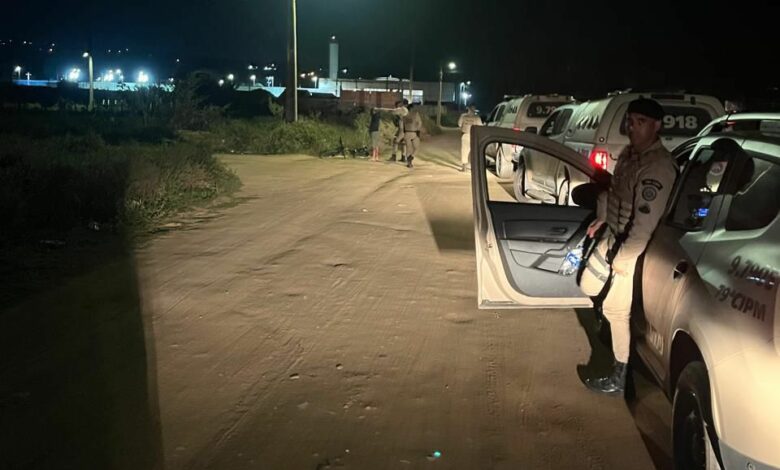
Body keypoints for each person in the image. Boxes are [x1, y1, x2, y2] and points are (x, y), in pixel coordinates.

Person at [578, 98, 678, 395]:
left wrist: (622, 261)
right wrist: (602, 219)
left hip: (632, 246)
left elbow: (644, 226)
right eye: (631, 121)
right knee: (597, 292)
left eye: (640, 122)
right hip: (615, 235)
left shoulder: (657, 167)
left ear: (656, 126)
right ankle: (617, 350)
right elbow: (614, 192)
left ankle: (619, 377)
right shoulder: (630, 155)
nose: (632, 127)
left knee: (616, 309)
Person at [458, 105, 483, 172]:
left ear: (468, 109)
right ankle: (474, 168)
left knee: (464, 151)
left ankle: (464, 168)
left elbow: (459, 124)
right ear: (474, 110)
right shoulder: (477, 118)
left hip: (465, 135)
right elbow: (480, 127)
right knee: (474, 152)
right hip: (474, 136)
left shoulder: (463, 116)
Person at [402, 103, 423, 168]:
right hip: (414, 133)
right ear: (412, 108)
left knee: (408, 149)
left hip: (406, 133)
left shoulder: (404, 115)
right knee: (416, 148)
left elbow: (402, 125)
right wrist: (418, 130)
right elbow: (419, 123)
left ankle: (409, 163)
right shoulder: (415, 114)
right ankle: (411, 157)